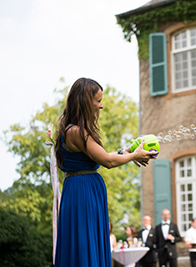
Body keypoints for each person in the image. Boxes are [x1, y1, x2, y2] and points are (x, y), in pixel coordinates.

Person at [54, 77, 156, 267]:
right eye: (98, 101)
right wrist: (134, 155)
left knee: (84, 244)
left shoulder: (72, 130)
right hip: (83, 195)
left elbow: (103, 155)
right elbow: (107, 161)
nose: (101, 106)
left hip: (80, 191)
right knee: (85, 244)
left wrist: (126, 152)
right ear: (85, 102)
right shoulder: (76, 131)